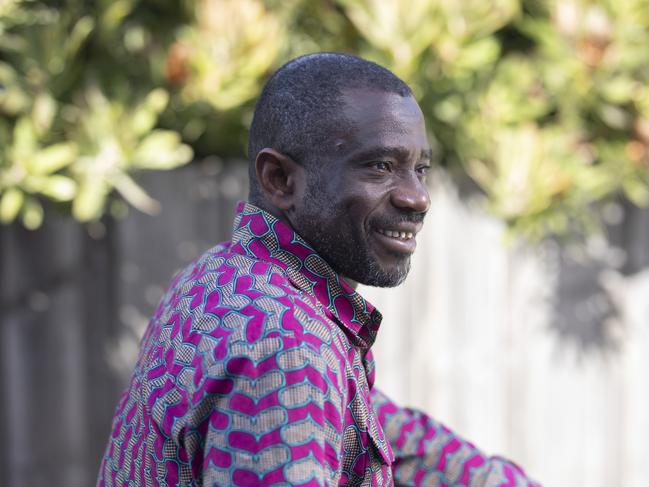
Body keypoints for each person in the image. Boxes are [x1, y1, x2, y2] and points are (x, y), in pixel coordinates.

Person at [98, 53, 539, 486]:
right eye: (381, 166)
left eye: (419, 169)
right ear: (280, 179)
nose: (418, 197)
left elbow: (384, 430)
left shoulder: (221, 278)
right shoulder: (286, 345)